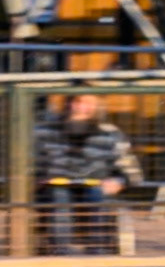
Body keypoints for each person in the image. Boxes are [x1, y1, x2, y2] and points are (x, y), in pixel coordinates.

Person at [35, 92, 141, 256]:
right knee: (59, 196)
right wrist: (37, 179)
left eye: (89, 103)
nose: (82, 107)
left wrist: (119, 181)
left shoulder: (111, 134)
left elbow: (130, 169)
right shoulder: (43, 131)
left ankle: (97, 249)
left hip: (95, 185)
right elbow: (27, 163)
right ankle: (60, 251)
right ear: (68, 104)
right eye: (78, 102)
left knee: (97, 195)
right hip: (55, 186)